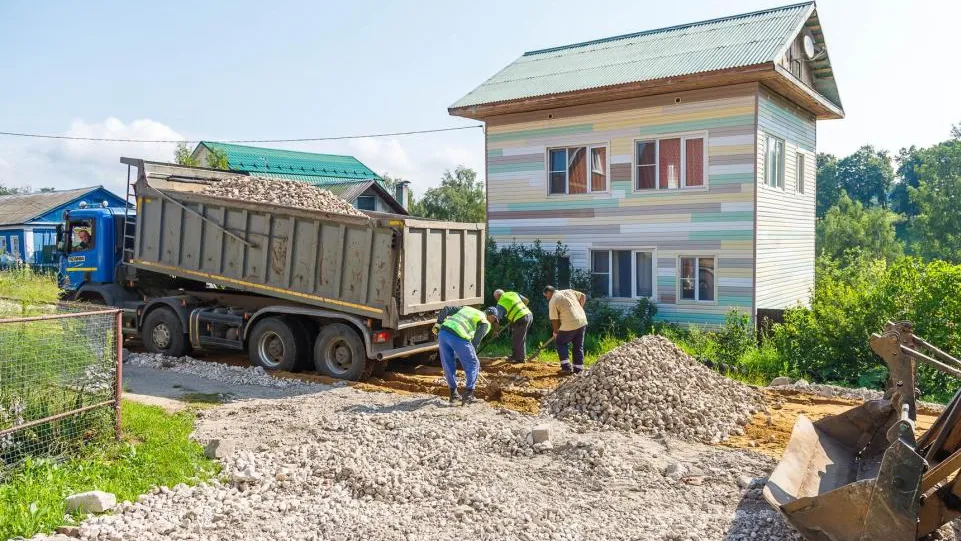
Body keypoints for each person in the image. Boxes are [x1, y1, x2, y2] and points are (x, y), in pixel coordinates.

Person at [433, 305, 498, 405]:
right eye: (494, 320)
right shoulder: (485, 322)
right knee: (474, 364)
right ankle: (468, 396)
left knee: (448, 363)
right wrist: (469, 356)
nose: (493, 322)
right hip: (459, 337)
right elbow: (475, 342)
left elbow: (447, 309)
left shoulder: (468, 308)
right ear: (492, 316)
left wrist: (438, 323)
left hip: (443, 333)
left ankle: (453, 396)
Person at [543, 285, 588, 374]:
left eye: (546, 296)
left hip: (569, 323)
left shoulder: (553, 300)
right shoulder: (568, 291)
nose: (547, 298)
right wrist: (579, 308)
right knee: (578, 345)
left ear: (549, 292)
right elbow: (583, 296)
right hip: (582, 321)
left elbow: (554, 319)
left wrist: (555, 331)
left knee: (560, 342)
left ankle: (566, 368)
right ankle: (578, 369)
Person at [491, 289, 533, 363]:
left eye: (495, 298)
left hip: (521, 318)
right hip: (529, 315)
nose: (496, 299)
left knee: (518, 339)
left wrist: (495, 331)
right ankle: (515, 356)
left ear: (497, 296)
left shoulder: (501, 303)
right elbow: (526, 301)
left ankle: (520, 359)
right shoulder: (512, 293)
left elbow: (497, 319)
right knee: (518, 337)